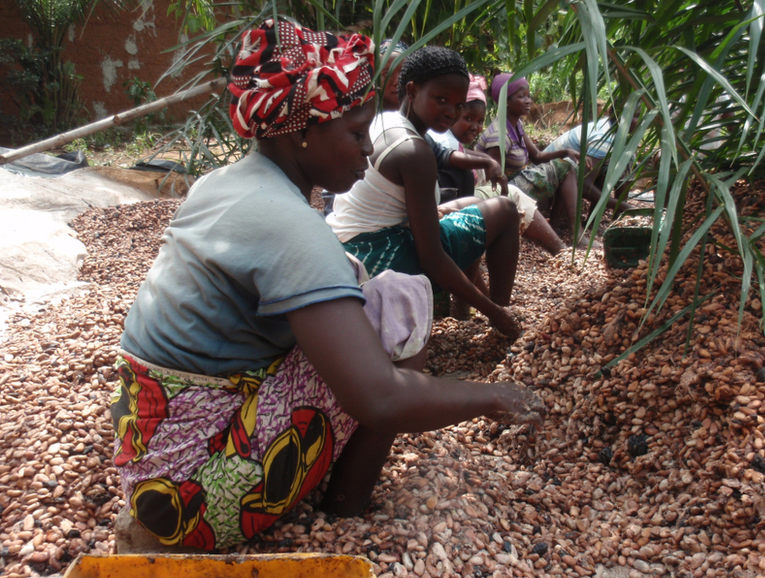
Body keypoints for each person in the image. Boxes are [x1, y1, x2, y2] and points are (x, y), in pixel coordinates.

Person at [109, 20, 542, 553]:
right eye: (356, 135)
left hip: (151, 451)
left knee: (363, 292)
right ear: (300, 132)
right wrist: (495, 397)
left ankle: (316, 480)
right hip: (192, 498)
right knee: (402, 301)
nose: (367, 151)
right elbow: (381, 400)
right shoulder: (288, 225)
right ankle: (348, 508)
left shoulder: (227, 182)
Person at [327, 46, 522, 336]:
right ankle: (499, 321)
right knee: (504, 211)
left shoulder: (388, 119)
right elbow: (431, 256)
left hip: (343, 246)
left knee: (466, 209)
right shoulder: (413, 151)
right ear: (413, 90)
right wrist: (495, 313)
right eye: (441, 99)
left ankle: (462, 308)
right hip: (377, 258)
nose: (451, 112)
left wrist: (486, 161)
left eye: (458, 105)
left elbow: (444, 156)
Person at [428, 74, 567, 255]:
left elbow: (536, 156)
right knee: (512, 197)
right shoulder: (488, 135)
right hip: (454, 201)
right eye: (468, 118)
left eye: (479, 121)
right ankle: (561, 252)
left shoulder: (516, 127)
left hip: (464, 194)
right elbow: (496, 174)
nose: (476, 127)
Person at [477, 72, 614, 242]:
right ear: (506, 101)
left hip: (516, 179)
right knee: (565, 168)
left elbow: (537, 156)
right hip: (502, 189)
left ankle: (557, 228)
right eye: (522, 97)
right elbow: (495, 179)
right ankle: (576, 235)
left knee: (567, 165)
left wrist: (566, 152)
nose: (528, 101)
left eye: (528, 96)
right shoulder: (499, 135)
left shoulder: (516, 124)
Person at [324, 38, 409, 216]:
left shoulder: (415, 123)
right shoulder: (359, 117)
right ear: (374, 78)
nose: (395, 82)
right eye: (387, 74)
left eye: (402, 75)